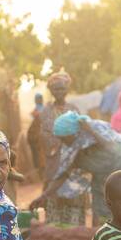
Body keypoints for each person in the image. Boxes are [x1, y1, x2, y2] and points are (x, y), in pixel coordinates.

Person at [30, 110, 121, 226]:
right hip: (102, 181)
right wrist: (44, 196)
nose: (61, 141)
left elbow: (113, 150)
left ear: (73, 133)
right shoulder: (72, 149)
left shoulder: (97, 130)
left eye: (63, 138)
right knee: (100, 216)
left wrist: (90, 130)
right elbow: (63, 174)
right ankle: (99, 239)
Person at [29, 71, 87, 226]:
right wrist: (59, 143)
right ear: (51, 91)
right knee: (54, 197)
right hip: (53, 161)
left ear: (67, 90)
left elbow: (80, 134)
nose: (59, 92)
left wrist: (70, 146)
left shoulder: (74, 109)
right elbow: (43, 135)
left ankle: (74, 236)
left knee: (74, 198)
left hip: (74, 162)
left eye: (62, 89)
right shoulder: (45, 111)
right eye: (55, 89)